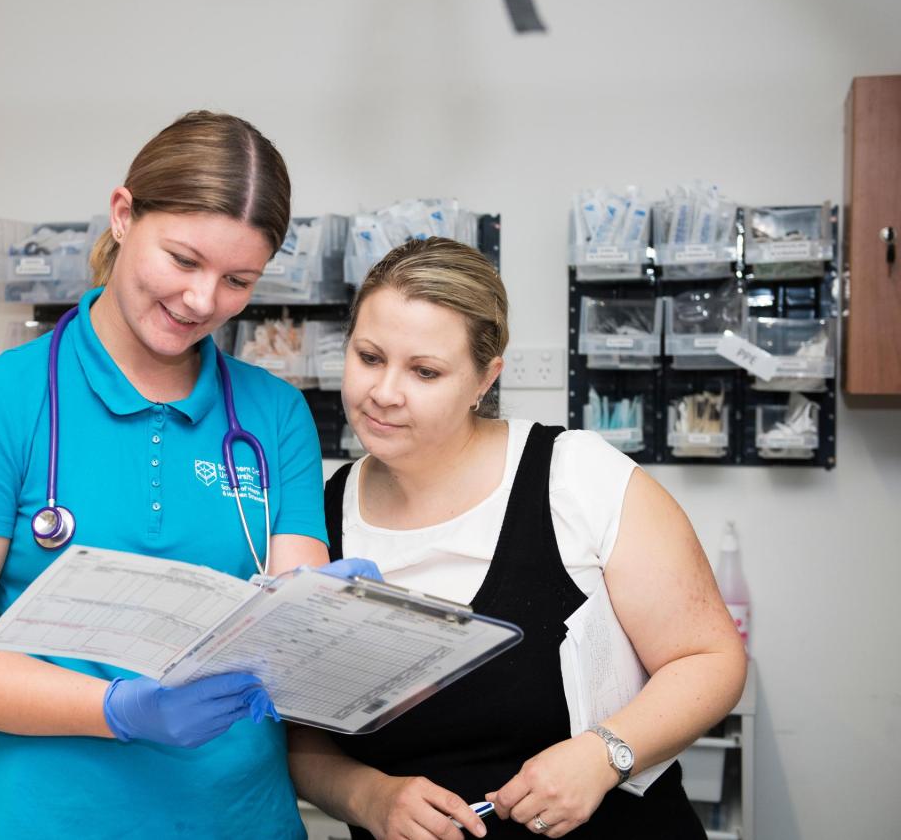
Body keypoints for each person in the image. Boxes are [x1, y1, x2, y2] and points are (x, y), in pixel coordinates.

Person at [0, 111, 342, 839]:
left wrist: (333, 618)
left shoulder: (274, 416)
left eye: (237, 280)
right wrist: (116, 708)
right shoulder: (1, 400)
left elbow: (284, 635)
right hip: (45, 816)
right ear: (124, 214)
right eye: (184, 260)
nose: (203, 301)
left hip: (237, 817)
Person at [287, 237, 748, 839]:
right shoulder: (317, 517)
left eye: (425, 371)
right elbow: (303, 738)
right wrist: (368, 796)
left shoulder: (575, 477)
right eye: (369, 357)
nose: (385, 392)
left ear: (485, 378)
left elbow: (711, 659)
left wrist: (606, 753)